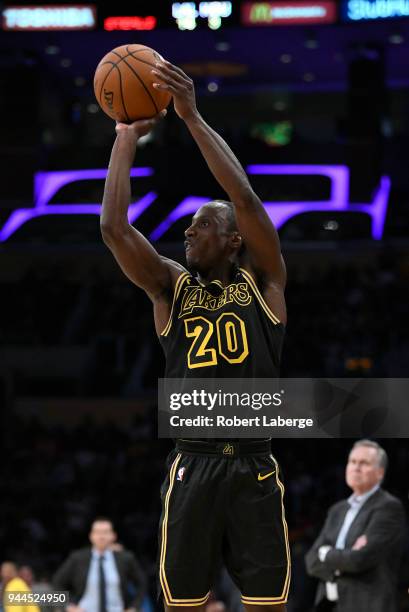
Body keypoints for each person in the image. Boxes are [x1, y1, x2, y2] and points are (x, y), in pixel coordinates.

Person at [100, 60, 290, 610]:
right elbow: (114, 229)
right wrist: (123, 139)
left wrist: (191, 116)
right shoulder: (169, 288)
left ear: (233, 241)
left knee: (267, 604)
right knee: (182, 603)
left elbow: (247, 200)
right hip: (193, 457)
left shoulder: (265, 281)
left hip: (254, 460)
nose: (188, 231)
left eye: (202, 224)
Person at [305, 439, 406, 612]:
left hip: (366, 605)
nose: (356, 467)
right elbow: (311, 561)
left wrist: (326, 553)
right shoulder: (337, 510)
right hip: (329, 605)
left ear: (380, 472)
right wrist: (342, 557)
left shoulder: (389, 507)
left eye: (364, 463)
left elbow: (360, 560)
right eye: (352, 462)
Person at [52, 517, 146, 612]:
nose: (101, 536)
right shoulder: (77, 558)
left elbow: (142, 583)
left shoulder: (125, 558)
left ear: (113, 536)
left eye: (105, 532)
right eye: (97, 532)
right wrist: (69, 606)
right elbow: (57, 582)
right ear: (91, 536)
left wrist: (134, 607)